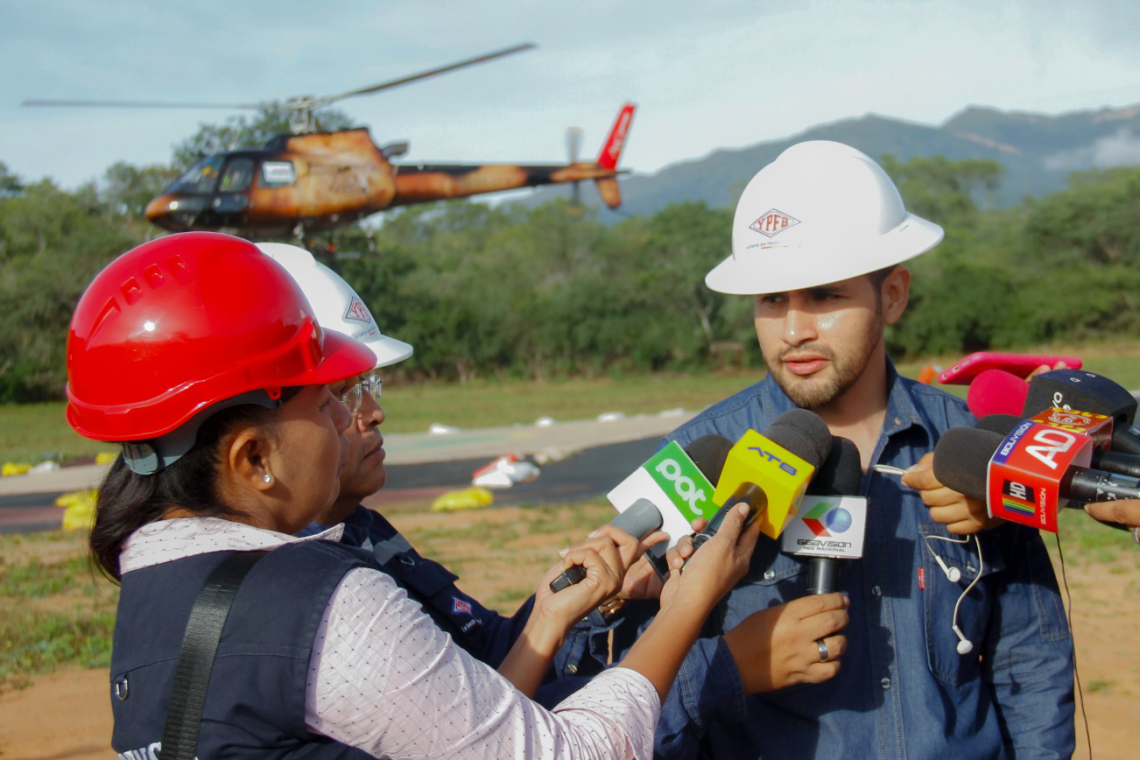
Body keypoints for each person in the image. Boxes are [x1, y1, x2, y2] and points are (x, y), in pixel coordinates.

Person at [72, 232, 761, 759]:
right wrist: (688, 609)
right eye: (328, 402)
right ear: (252, 459)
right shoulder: (319, 603)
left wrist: (547, 617)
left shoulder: (152, 582)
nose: (353, 419)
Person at [564, 141, 1076, 759]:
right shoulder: (697, 459)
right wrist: (723, 659)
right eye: (772, 300)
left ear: (892, 295)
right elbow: (630, 688)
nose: (794, 330)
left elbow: (1032, 651)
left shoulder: (970, 447)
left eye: (825, 296)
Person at [260, 242, 624, 702]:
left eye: (369, 386)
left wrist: (576, 593)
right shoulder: (304, 588)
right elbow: (478, 730)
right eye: (342, 393)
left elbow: (482, 648)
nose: (374, 413)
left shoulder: (358, 527)